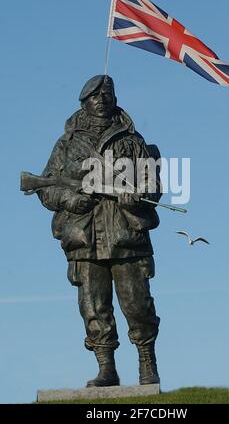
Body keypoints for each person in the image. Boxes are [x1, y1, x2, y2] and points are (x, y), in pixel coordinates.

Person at [37, 75, 161, 387]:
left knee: (137, 303)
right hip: (83, 237)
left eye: (109, 93)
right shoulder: (66, 145)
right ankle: (107, 369)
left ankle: (147, 364)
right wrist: (69, 198)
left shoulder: (133, 141)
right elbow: (46, 187)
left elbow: (154, 185)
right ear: (84, 101)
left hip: (125, 235)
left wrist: (137, 196)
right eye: (96, 94)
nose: (103, 99)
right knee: (93, 307)